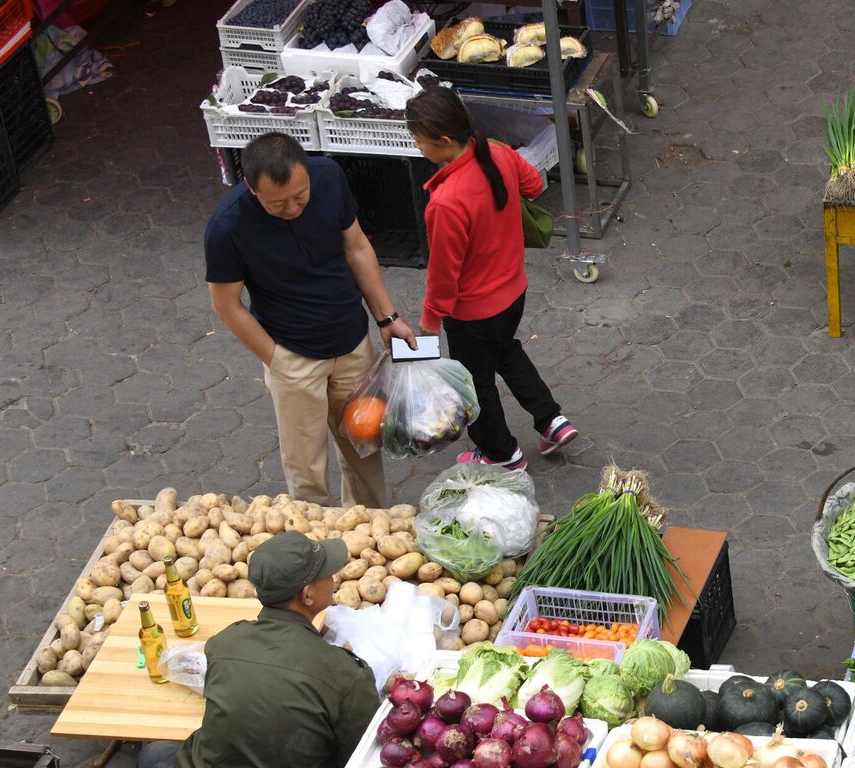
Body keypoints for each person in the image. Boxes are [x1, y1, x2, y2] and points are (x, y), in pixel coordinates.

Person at [206, 132, 413, 508]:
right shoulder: (227, 227)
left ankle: (371, 532)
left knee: (364, 448)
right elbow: (227, 305)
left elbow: (357, 247)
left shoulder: (329, 177)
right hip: (293, 356)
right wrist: (275, 359)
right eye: (278, 203)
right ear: (251, 188)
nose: (292, 208)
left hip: (353, 344)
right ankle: (315, 550)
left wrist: (387, 317)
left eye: (300, 196)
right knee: (306, 471)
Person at [406, 88, 578, 471]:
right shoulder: (498, 151)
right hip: (514, 289)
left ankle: (502, 454)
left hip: (473, 311)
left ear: (446, 141)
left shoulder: (446, 201)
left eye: (420, 142)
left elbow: (444, 271)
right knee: (506, 351)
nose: (419, 149)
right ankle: (551, 419)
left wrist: (431, 318)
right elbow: (533, 185)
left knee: (475, 380)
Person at [136, 531, 378, 768]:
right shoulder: (346, 676)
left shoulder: (224, 642)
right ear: (307, 595)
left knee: (155, 753)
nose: (334, 578)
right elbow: (363, 755)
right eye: (327, 573)